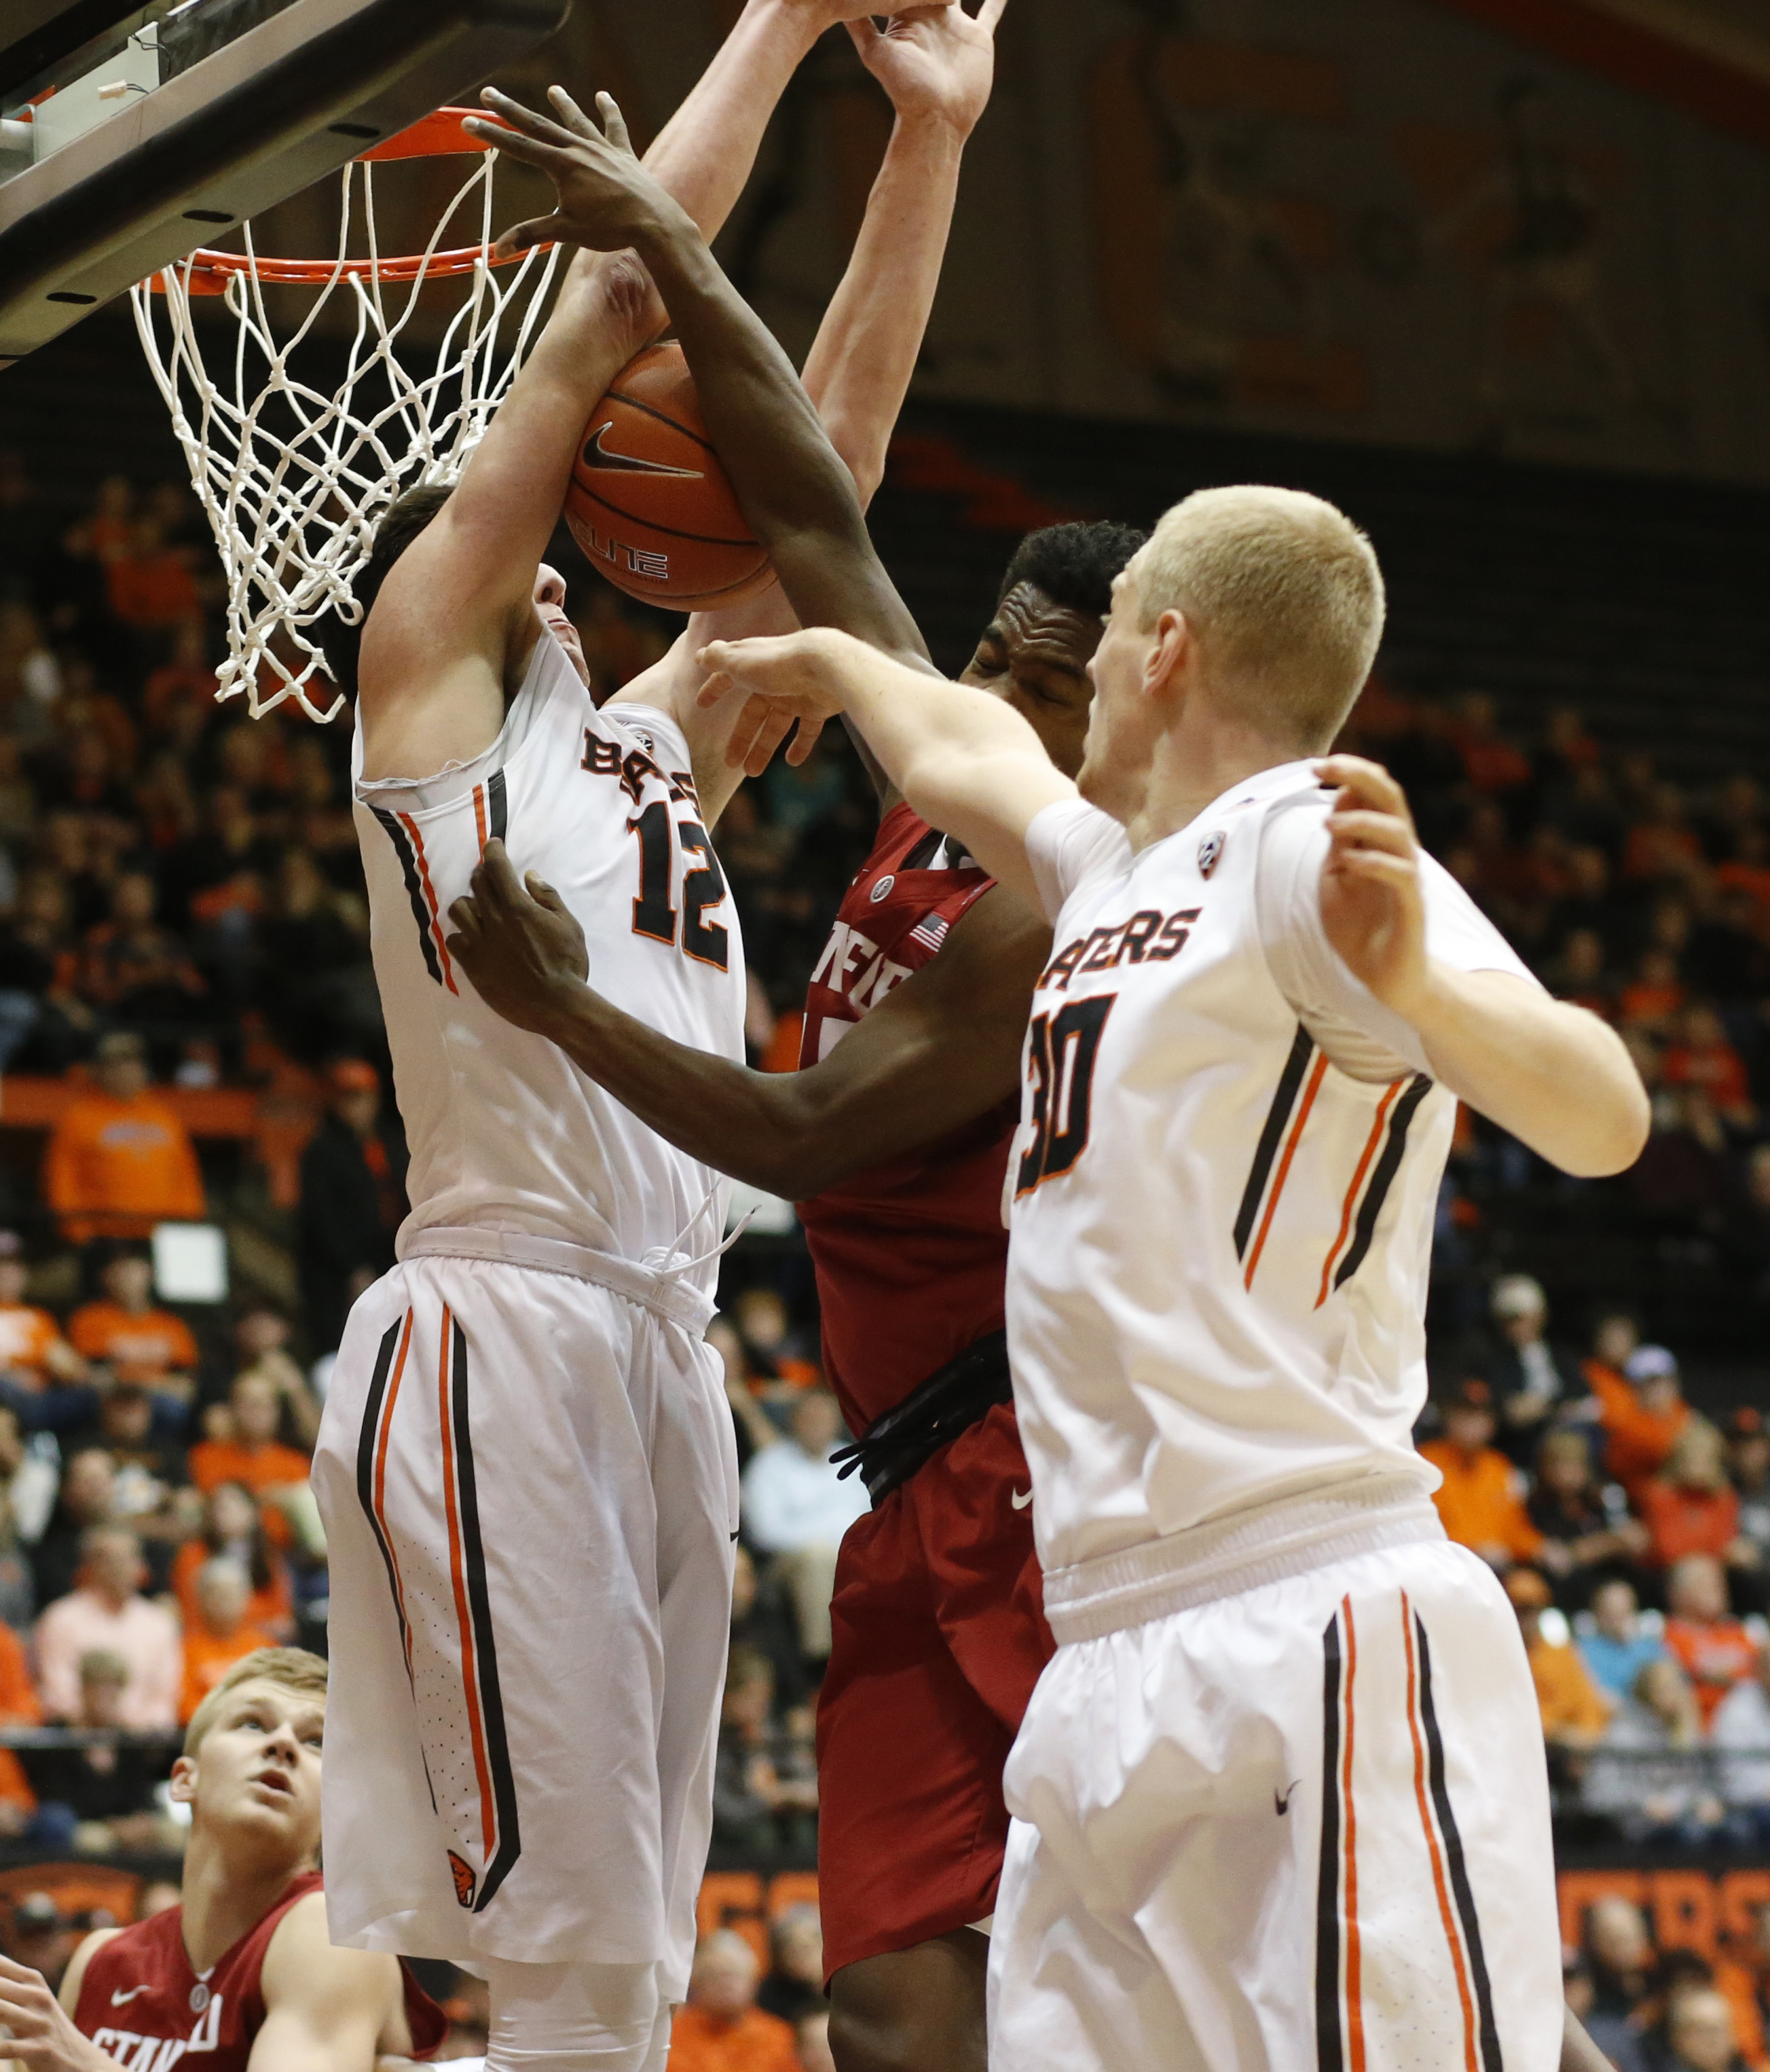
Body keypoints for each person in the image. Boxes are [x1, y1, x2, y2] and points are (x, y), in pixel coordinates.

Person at [684, 469, 1649, 2062]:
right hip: (1109, 1625)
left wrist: (1426, 989)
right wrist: (828, 664)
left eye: (1109, 630)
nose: (1061, 692)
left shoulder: (1302, 846)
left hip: (1303, 1590)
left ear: (1161, 648)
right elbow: (957, 744)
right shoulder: (1108, 868)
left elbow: (1602, 1105)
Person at [305, 10, 995, 2069]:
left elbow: (825, 476)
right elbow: (610, 292)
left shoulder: (644, 749)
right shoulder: (431, 697)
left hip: (660, 1346)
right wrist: (778, 22)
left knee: (636, 1946)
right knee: (578, 1942)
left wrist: (928, 139)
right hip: (499, 1317)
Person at [441, 85, 1141, 2072]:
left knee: (1120, 1981)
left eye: (1029, 680)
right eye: (982, 656)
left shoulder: (1049, 904)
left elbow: (821, 1133)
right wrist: (671, 239)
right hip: (910, 1480)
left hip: (1040, 1466)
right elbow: (816, 516)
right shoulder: (951, 772)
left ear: (1129, 698)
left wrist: (572, 1011)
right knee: (885, 2012)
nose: (975, 694)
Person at [0, 1647, 448, 2069]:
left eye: (315, 1741)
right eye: (253, 1723)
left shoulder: (334, 1935)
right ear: (183, 1780)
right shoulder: (102, 1959)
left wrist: (81, 2061)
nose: (283, 1743)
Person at [739, 1389, 870, 1662]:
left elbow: (870, 1519)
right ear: (794, 1421)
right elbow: (766, 1533)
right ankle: (822, 1660)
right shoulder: (769, 1465)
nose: (818, 1424)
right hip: (786, 1563)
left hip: (849, 1555)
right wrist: (827, 1541)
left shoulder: (853, 1462)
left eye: (825, 1418)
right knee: (817, 1559)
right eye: (810, 1417)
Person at [43, 1031, 206, 1246]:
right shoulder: (79, 1117)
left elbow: (185, 1170)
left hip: (161, 1232)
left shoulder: (163, 1116)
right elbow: (63, 1174)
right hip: (102, 1232)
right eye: (115, 1066)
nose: (125, 1073)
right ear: (101, 1071)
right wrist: (74, 1225)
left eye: (131, 1065)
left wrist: (189, 1217)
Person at [297, 1059, 407, 1357]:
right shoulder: (322, 1150)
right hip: (339, 1272)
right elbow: (322, 1219)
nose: (357, 1106)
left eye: (363, 1097)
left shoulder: (393, 1143)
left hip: (392, 1260)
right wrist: (353, 1267)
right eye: (349, 1098)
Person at [35, 1524, 181, 1731]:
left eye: (128, 1558)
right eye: (108, 1559)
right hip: (76, 1740)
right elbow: (58, 1696)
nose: (119, 1568)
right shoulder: (61, 1619)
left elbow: (164, 1701)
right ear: (89, 1565)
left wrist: (129, 1728)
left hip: (143, 1744)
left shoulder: (159, 1624)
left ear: (141, 1565)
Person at [1418, 1375, 1543, 1569]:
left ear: (1491, 1423)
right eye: (1464, 1415)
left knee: (1530, 1589)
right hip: (1445, 1566)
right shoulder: (1425, 1462)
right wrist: (1474, 1549)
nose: (1472, 1424)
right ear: (1448, 1418)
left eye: (1479, 1416)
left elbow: (1516, 1529)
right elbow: (1421, 1531)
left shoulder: (1500, 1467)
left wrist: (1540, 1548)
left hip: (1499, 1568)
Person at [67, 1243, 198, 1396]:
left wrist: (145, 1386)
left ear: (149, 1273)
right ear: (105, 1277)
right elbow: (88, 1376)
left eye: (133, 1269)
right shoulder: (89, 1319)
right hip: (110, 1401)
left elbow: (186, 1385)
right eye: (119, 1270)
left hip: (161, 1402)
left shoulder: (172, 1325)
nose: (127, 1277)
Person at [668, 1933, 799, 2072]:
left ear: (754, 1982)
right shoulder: (672, 2035)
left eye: (735, 1974)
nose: (726, 1984)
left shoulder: (780, 2037)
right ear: (695, 1983)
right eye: (715, 1974)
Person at [179, 1556, 278, 1725]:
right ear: (200, 1599)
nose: (223, 1601)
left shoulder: (264, 1647)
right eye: (216, 1593)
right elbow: (185, 1706)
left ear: (246, 1598)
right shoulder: (186, 1650)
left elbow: (276, 1698)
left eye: (231, 1593)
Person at [1663, 1552, 1756, 1730]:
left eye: (1720, 1583)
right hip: (1699, 1731)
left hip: (1749, 1729)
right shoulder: (1670, 1637)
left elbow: (1758, 1673)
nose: (1720, 1591)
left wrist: (1724, 1676)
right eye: (1707, 1584)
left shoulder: (1737, 1632)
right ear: (1678, 1593)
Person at [1579, 1576, 1667, 1703]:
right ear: (1597, 1614)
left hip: (1654, 1714)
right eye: (1611, 1612)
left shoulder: (1650, 1646)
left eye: (1623, 1611)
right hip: (1613, 1716)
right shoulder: (1583, 1651)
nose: (1618, 1620)